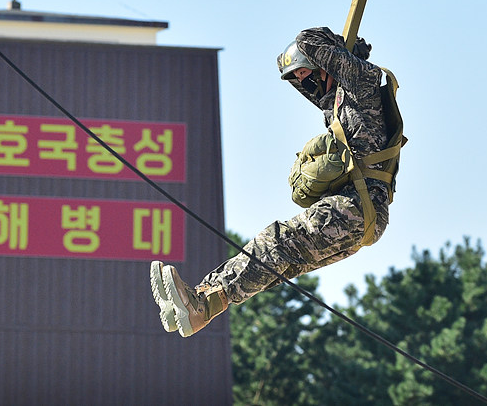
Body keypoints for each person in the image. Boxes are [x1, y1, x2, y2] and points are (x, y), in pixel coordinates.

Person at [151, 26, 401, 337]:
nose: (302, 81)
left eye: (306, 72)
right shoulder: (339, 104)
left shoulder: (361, 84)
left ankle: (200, 305)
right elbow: (306, 71)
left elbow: (307, 42)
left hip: (357, 208)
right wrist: (325, 60)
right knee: (281, 260)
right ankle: (201, 304)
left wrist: (339, 49)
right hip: (359, 213)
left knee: (279, 240)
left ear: (326, 66)